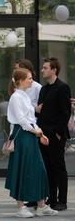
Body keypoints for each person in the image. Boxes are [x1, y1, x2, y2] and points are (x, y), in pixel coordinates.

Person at [5, 68, 58, 218]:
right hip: (22, 136)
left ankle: (41, 204)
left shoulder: (24, 96)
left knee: (38, 169)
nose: (31, 80)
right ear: (20, 81)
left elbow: (30, 119)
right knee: (22, 169)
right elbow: (22, 120)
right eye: (29, 78)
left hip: (29, 135)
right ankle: (21, 207)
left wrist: (39, 132)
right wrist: (36, 132)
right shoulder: (16, 97)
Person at [36, 57, 72, 211]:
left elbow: (65, 113)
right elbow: (41, 112)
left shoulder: (62, 87)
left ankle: (62, 200)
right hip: (43, 134)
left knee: (58, 167)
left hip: (55, 135)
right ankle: (52, 197)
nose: (43, 70)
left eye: (45, 67)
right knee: (47, 167)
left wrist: (57, 133)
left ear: (54, 70)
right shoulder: (44, 89)